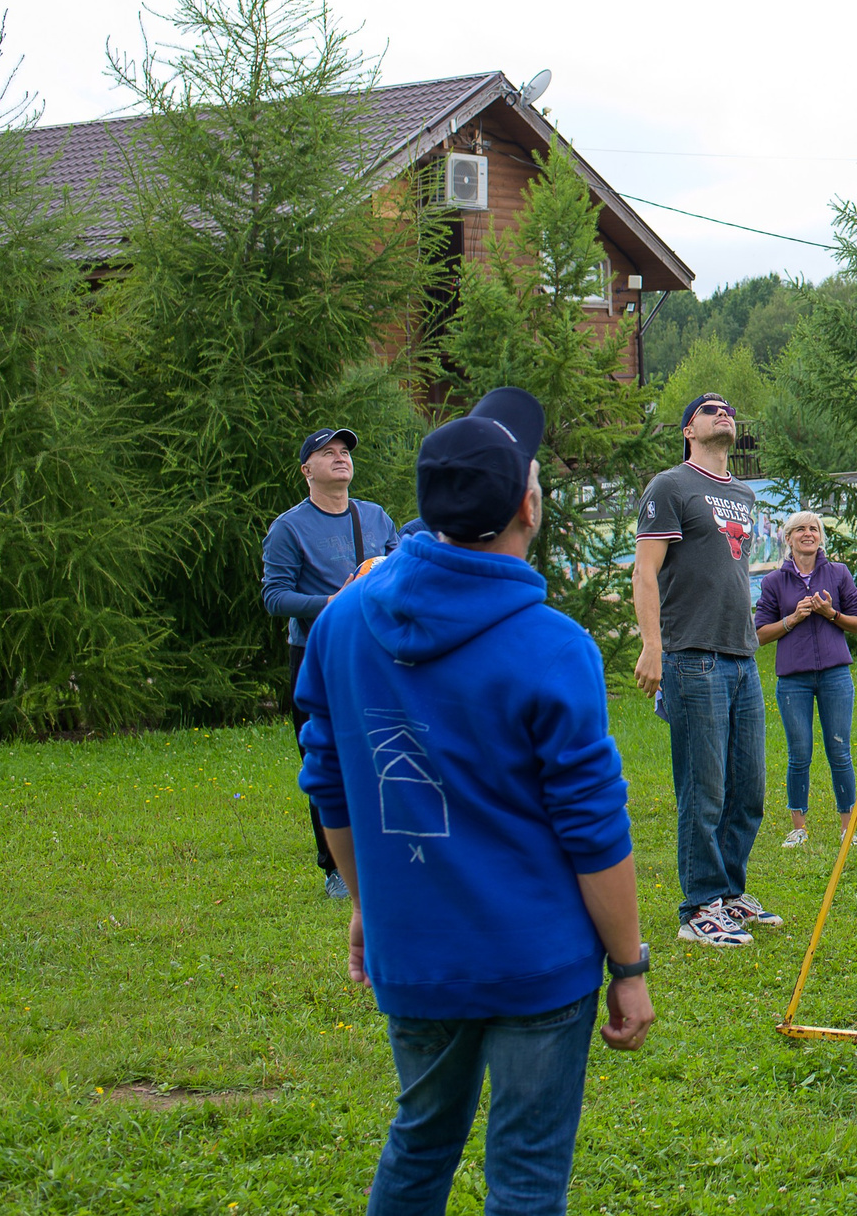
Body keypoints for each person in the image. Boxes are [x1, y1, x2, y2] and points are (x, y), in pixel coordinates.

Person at [297, 388, 654, 1214]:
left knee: (419, 1141)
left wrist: (365, 900)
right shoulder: (553, 645)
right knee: (526, 1176)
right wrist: (629, 965)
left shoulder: (343, 622)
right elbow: (595, 827)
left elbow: (331, 781)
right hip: (537, 963)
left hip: (414, 950)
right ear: (528, 506)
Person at [633, 395, 782, 948]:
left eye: (729, 408)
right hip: (691, 656)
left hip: (741, 655)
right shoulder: (670, 487)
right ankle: (699, 908)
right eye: (710, 409)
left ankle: (729, 892)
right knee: (704, 786)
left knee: (749, 789)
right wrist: (654, 646)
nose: (724, 413)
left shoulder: (741, 495)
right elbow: (645, 573)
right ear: (688, 429)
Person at [262, 426, 400, 899]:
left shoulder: (377, 518)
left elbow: (402, 572)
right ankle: (336, 869)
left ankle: (386, 855)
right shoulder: (289, 528)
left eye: (344, 452)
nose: (340, 458)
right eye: (327, 453)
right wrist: (334, 601)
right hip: (316, 653)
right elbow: (274, 597)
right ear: (307, 470)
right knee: (327, 759)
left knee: (384, 751)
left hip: (374, 649)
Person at [756, 511, 857, 849]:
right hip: (793, 681)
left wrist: (829, 614)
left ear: (821, 537)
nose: (808, 534)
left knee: (840, 750)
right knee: (799, 752)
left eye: (814, 529)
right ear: (788, 539)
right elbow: (760, 633)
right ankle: (799, 828)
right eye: (800, 529)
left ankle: (848, 827)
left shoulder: (838, 573)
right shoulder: (774, 582)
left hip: (835, 675)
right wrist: (793, 618)